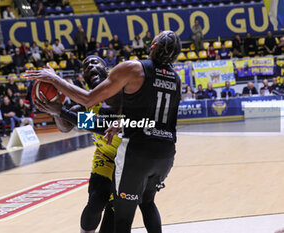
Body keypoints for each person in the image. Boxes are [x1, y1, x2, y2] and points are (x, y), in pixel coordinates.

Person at [26, 30, 181, 233]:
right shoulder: (172, 78)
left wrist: (58, 94)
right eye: (87, 64)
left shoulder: (120, 88)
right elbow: (66, 126)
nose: (91, 65)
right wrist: (57, 112)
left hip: (130, 154)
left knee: (119, 215)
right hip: (115, 154)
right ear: (83, 75)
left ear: (107, 69)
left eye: (95, 62)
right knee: (97, 201)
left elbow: (100, 121)